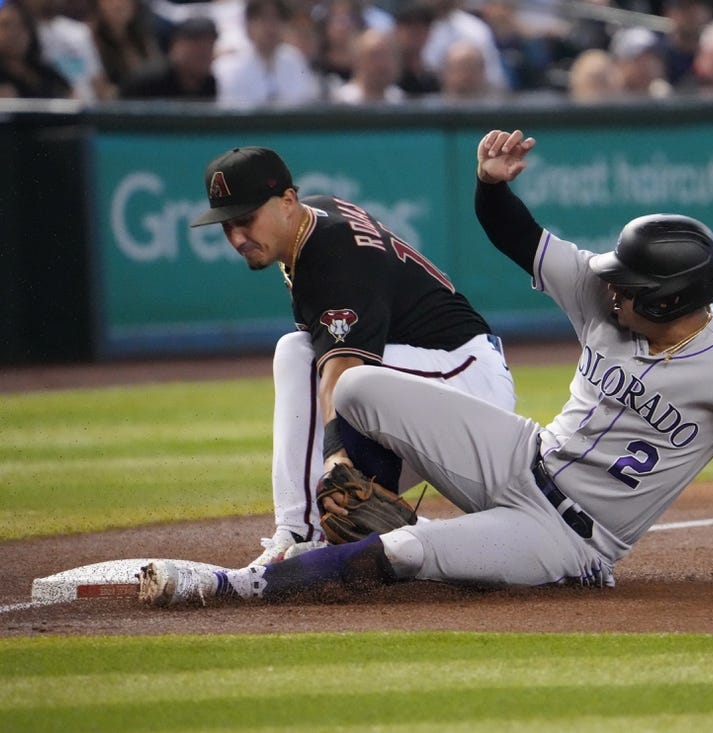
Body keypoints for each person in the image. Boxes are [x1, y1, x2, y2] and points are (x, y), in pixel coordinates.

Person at [139, 129, 713, 606]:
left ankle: (253, 587)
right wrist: (490, 187)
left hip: (566, 538)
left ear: (670, 299)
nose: (608, 286)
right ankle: (313, 527)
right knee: (349, 381)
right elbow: (518, 236)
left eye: (629, 286)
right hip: (520, 454)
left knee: (413, 553)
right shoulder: (603, 289)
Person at [182, 146, 517, 566]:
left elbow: (340, 371)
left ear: (287, 201)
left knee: (298, 356)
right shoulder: (315, 220)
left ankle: (299, 534)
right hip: (435, 377)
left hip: (464, 377)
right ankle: (403, 536)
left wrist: (335, 454)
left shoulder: (334, 257)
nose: (237, 238)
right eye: (227, 225)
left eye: (246, 219)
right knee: (346, 496)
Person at [212, 0, 321, 107]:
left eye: (277, 18)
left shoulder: (295, 60)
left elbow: (305, 103)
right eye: (262, 18)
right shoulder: (228, 67)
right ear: (248, 25)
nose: (270, 26)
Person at [119, 15, 217, 99]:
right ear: (176, 47)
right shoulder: (147, 81)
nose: (204, 52)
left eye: (208, 47)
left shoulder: (208, 83)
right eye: (196, 48)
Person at [88, 0, 165, 100]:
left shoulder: (143, 36)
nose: (119, 4)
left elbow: (157, 75)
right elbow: (102, 92)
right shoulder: (89, 39)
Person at [329, 26, 405, 103]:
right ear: (357, 60)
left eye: (388, 55)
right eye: (375, 56)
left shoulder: (399, 99)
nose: (382, 63)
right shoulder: (341, 101)